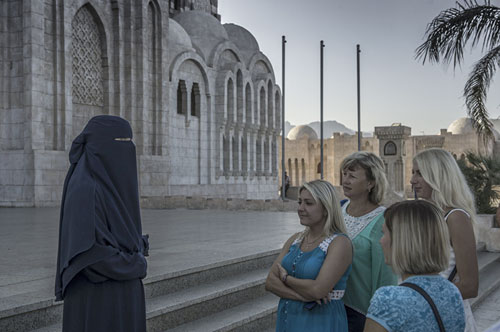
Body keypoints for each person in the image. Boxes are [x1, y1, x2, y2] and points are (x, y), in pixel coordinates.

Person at [55, 115, 149, 332]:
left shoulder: (108, 185)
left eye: (129, 143)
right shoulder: (85, 190)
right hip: (99, 305)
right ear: (101, 148)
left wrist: (137, 244)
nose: (127, 151)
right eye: (120, 143)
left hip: (120, 301)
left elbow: (115, 231)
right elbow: (89, 257)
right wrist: (136, 263)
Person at [364, 200, 465, 332]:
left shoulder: (389, 299)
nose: (381, 240)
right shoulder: (452, 292)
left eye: (384, 233)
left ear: (402, 241)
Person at [265, 180, 353, 331]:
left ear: (326, 208)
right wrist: (302, 297)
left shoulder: (339, 243)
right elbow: (270, 282)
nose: (300, 208)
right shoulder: (295, 239)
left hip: (320, 322)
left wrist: (286, 278)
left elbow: (318, 290)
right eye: (300, 202)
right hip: (288, 319)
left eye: (308, 203)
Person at [411, 148, 479, 332]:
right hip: (422, 314)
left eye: (420, 173)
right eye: (413, 172)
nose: (412, 180)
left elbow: (470, 286)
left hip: (446, 317)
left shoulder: (456, 217)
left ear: (437, 174)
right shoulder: (428, 215)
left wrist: (421, 298)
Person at [339, 152, 397, 332]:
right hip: (331, 308)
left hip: (362, 314)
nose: (345, 180)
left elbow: (386, 276)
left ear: (371, 183)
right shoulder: (338, 210)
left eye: (352, 176)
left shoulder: (383, 219)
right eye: (344, 174)